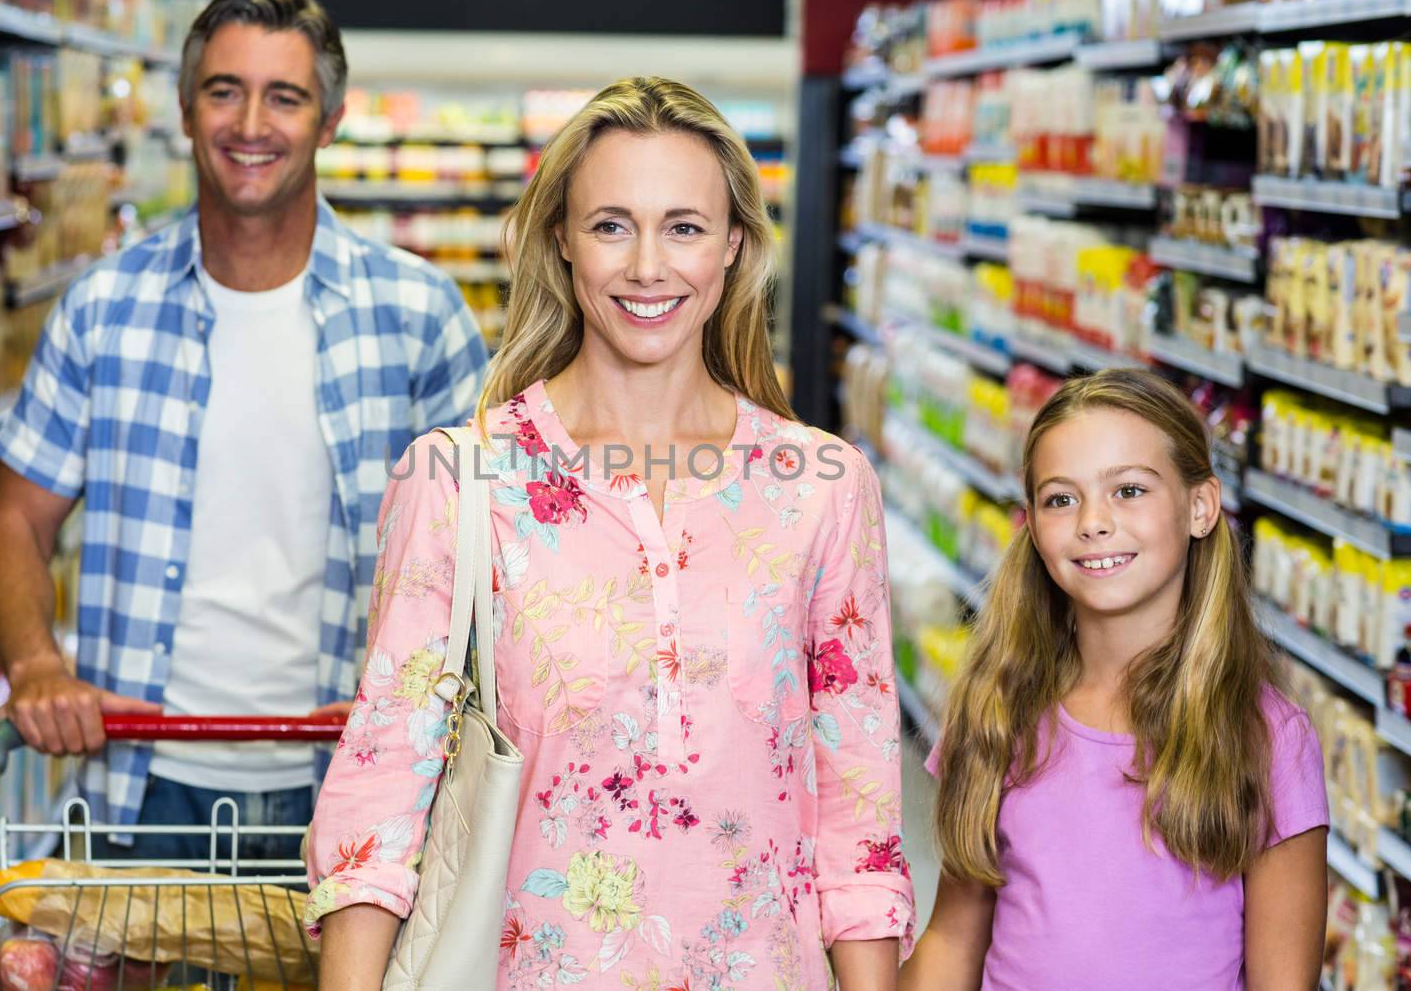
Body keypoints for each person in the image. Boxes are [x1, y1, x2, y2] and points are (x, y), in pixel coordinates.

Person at [305, 76, 913, 991]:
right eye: (611, 225)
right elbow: (380, 790)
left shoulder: (822, 486)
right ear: (562, 241)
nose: (647, 267)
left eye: (684, 226)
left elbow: (858, 816)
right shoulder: (458, 479)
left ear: (734, 245)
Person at [0, 0, 489, 858]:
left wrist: (417, 688)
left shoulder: (419, 313)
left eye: (284, 97)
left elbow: (491, 544)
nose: (251, 125)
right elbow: (14, 520)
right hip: (138, 782)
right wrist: (35, 665)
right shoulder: (105, 308)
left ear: (328, 121)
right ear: (184, 109)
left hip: (359, 781)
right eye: (224, 91)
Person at [901, 369, 1328, 991]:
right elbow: (952, 942)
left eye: (1128, 490)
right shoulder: (1000, 710)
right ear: (1032, 524)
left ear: (1201, 507)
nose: (1093, 522)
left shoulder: (1266, 738)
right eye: (1061, 498)